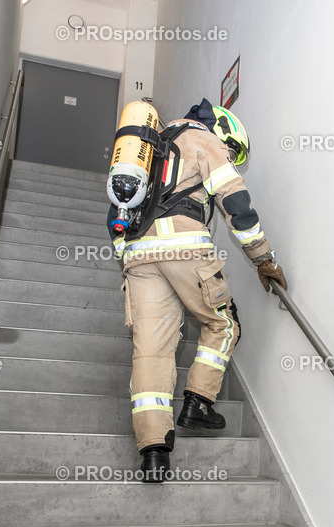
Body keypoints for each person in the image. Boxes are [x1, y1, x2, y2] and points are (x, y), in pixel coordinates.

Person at [106, 98, 287, 483]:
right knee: (224, 324)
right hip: (184, 247)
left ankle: (153, 453)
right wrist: (263, 259)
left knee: (151, 350)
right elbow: (236, 205)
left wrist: (127, 257)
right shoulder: (203, 139)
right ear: (224, 129)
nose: (231, 157)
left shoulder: (151, 146)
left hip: (138, 256)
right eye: (233, 151)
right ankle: (198, 402)